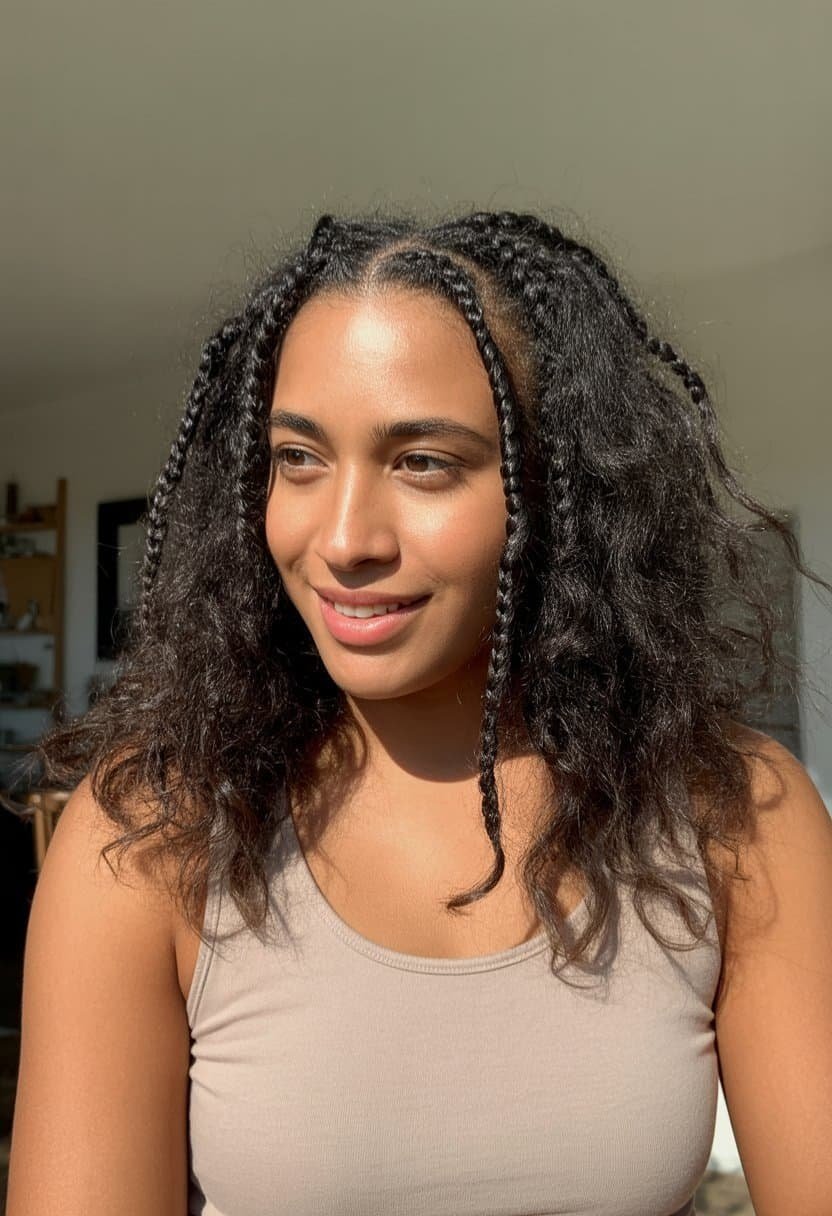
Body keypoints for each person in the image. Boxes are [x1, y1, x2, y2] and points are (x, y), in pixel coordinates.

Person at [6, 209, 832, 1215]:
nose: (344, 537)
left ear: (558, 491)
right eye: (299, 457)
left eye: (424, 462)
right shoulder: (156, 836)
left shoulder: (731, 816)